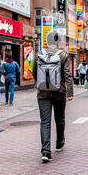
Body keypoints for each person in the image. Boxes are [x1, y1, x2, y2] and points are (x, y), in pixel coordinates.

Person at [33, 32, 73, 163]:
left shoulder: (39, 54)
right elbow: (68, 75)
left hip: (43, 92)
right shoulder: (63, 55)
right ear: (58, 42)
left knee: (45, 121)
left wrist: (40, 84)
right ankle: (59, 143)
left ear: (46, 41)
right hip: (59, 92)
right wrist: (70, 93)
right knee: (60, 119)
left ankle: (46, 151)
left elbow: (34, 72)